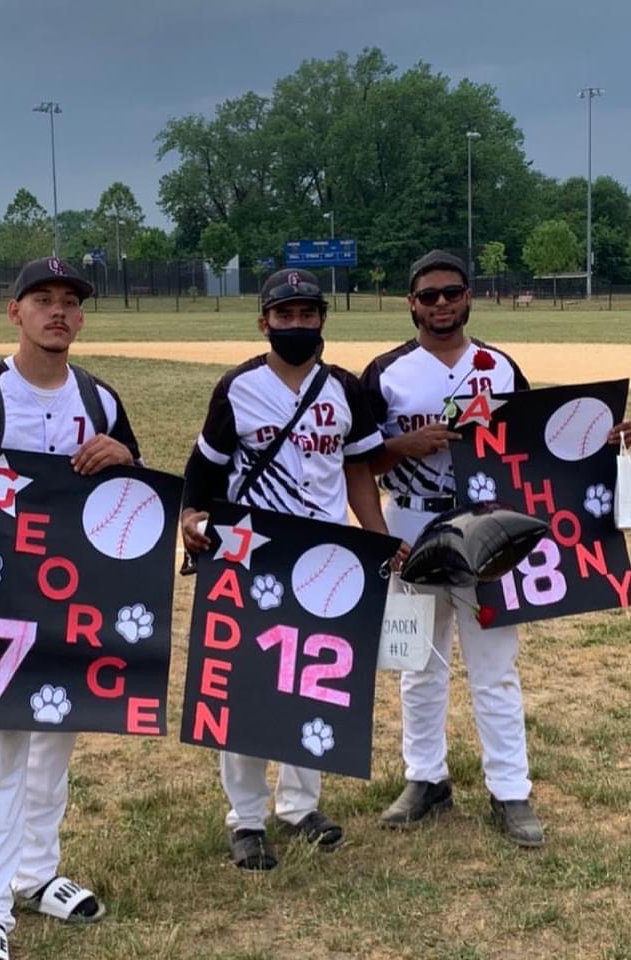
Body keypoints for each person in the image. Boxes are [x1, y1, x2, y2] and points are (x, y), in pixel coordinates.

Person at [0, 257, 142, 960]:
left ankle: (36, 873)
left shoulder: (101, 400)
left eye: (71, 301)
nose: (58, 312)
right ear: (13, 311)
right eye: (42, 299)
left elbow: (130, 508)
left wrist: (124, 459)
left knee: (54, 746)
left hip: (75, 603)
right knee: (2, 754)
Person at [181, 267, 388, 871]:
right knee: (245, 685)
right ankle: (245, 817)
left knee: (314, 679)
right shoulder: (238, 387)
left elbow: (360, 470)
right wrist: (191, 516)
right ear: (264, 321)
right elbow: (205, 466)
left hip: (325, 554)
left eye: (307, 314)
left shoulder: (344, 388)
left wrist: (376, 539)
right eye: (284, 315)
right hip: (253, 551)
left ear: (323, 318)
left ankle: (301, 805)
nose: (296, 325)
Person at [360, 249, 544, 848]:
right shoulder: (385, 372)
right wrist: (400, 451)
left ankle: (510, 791)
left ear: (469, 297)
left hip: (488, 529)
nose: (441, 303)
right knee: (418, 664)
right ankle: (425, 779)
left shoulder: (499, 366)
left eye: (452, 292)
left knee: (494, 666)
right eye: (429, 294)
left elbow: (535, 444)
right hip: (410, 526)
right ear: (410, 302)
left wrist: (600, 434)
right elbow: (358, 460)